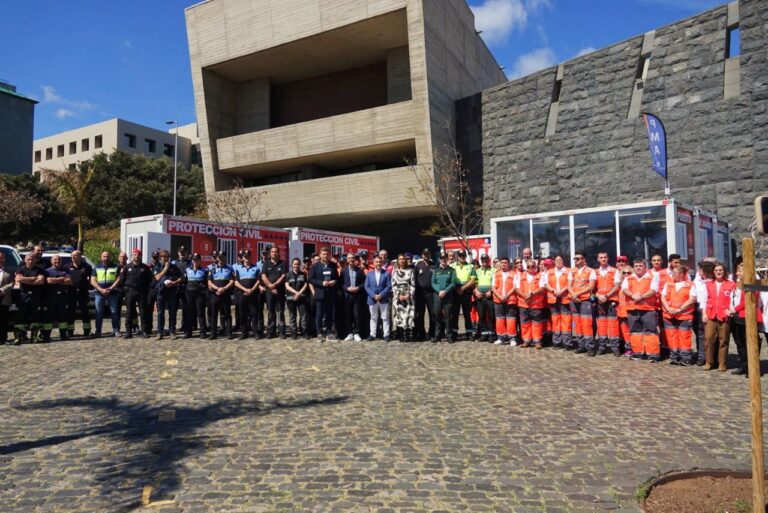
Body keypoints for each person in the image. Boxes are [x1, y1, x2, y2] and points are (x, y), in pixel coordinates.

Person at [622, 258, 661, 362]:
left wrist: (641, 297)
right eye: (636, 266)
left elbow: (653, 290)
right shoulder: (629, 278)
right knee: (635, 332)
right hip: (632, 308)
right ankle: (637, 353)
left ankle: (653, 354)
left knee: (651, 332)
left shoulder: (652, 277)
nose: (638, 268)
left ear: (645, 267)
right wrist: (632, 295)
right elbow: (624, 289)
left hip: (647, 309)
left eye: (640, 266)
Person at [703, 262, 736, 371]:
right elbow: (704, 299)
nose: (718, 272)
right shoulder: (708, 284)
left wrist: (730, 309)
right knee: (709, 339)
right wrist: (704, 313)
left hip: (724, 315)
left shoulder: (731, 284)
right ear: (713, 272)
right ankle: (709, 362)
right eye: (716, 270)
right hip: (710, 314)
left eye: (720, 270)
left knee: (724, 340)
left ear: (724, 272)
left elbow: (732, 299)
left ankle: (722, 363)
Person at [661, 266, 697, 365]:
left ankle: (685, 358)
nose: (672, 275)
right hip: (669, 315)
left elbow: (692, 299)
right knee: (671, 336)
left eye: (674, 273)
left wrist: (680, 309)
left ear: (681, 274)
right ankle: (674, 356)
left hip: (684, 315)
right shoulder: (668, 284)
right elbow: (663, 297)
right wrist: (668, 308)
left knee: (684, 337)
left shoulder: (690, 285)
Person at [308, 246, 339, 342]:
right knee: (319, 314)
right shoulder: (315, 266)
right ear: (320, 255)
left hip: (330, 293)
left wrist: (334, 281)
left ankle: (329, 333)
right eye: (323, 254)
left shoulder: (333, 265)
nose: (325, 256)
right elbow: (310, 279)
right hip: (320, 293)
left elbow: (337, 278)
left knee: (330, 314)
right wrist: (321, 283)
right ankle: (320, 333)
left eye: (327, 254)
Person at [120, 248, 153, 339]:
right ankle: (128, 332)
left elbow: (149, 280)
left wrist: (146, 290)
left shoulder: (145, 268)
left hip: (141, 292)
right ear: (132, 256)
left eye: (138, 254)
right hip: (130, 292)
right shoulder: (127, 267)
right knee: (129, 313)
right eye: (135, 254)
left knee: (143, 313)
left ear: (141, 256)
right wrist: (125, 289)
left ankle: (144, 331)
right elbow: (122, 279)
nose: (136, 256)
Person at [594, 252, 622, 356]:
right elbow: (592, 287)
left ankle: (614, 347)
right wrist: (598, 296)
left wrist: (606, 296)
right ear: (598, 259)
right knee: (601, 324)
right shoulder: (595, 272)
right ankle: (602, 346)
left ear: (608, 258)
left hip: (611, 300)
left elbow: (617, 286)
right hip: (600, 301)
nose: (603, 259)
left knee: (613, 324)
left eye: (605, 257)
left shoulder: (614, 271)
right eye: (601, 257)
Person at [13, 254, 45, 344]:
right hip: (23, 296)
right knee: (20, 317)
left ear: (35, 260)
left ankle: (34, 337)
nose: (30, 261)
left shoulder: (39, 269)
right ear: (25, 260)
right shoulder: (21, 269)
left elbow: (40, 281)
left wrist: (26, 280)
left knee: (35, 317)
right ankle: (18, 338)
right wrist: (33, 278)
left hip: (35, 296)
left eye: (32, 259)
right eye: (29, 259)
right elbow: (18, 279)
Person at [568, 252, 596, 354]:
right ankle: (581, 345)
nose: (575, 260)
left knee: (586, 324)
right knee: (578, 324)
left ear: (584, 260)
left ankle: (590, 347)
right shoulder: (572, 271)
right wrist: (573, 295)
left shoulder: (590, 271)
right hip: (574, 300)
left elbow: (591, 287)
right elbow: (569, 285)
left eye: (578, 259)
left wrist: (577, 294)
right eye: (574, 258)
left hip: (585, 300)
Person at [542, 255, 571, 350]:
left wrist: (561, 291)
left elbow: (569, 284)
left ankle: (566, 342)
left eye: (560, 259)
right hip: (553, 298)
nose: (558, 261)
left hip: (565, 298)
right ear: (554, 261)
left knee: (566, 321)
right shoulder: (549, 272)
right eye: (556, 260)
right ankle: (556, 342)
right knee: (555, 321)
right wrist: (554, 291)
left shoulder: (568, 271)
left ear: (563, 261)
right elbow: (546, 284)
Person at [515, 258, 546, 349]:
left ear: (536, 267)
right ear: (526, 267)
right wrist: (525, 296)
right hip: (523, 303)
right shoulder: (520, 276)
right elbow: (517, 288)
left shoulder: (540, 276)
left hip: (536, 304)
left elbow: (542, 288)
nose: (530, 268)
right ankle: (526, 341)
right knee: (525, 323)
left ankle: (537, 341)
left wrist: (532, 294)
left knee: (537, 323)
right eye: (528, 266)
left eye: (532, 266)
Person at [154, 250, 184, 340]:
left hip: (172, 292)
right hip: (161, 293)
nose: (164, 259)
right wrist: (165, 270)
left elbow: (181, 277)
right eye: (163, 257)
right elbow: (156, 278)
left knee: (172, 313)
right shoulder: (157, 266)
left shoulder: (174, 267)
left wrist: (174, 282)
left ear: (168, 258)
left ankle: (172, 332)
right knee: (160, 313)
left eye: (166, 257)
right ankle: (160, 332)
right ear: (160, 258)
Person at [91, 251, 122, 338]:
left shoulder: (116, 267)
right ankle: (98, 331)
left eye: (108, 256)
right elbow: (92, 281)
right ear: (101, 257)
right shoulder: (96, 267)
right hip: (99, 293)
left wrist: (111, 288)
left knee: (114, 311)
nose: (106, 258)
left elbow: (118, 279)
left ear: (110, 257)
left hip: (112, 293)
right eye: (104, 256)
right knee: (99, 313)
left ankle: (116, 330)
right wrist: (101, 290)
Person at [43, 254, 73, 342]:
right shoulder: (47, 271)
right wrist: (62, 279)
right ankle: (46, 336)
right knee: (49, 316)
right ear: (51, 261)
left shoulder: (65, 270)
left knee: (63, 316)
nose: (57, 261)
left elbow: (69, 281)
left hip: (62, 296)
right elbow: (49, 281)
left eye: (59, 260)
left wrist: (55, 280)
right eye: (55, 260)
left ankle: (63, 335)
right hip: (50, 296)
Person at [208, 251, 235, 340]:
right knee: (213, 315)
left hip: (225, 294)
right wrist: (217, 288)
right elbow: (209, 281)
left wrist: (224, 289)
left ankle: (229, 333)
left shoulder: (230, 268)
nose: (221, 259)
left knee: (227, 314)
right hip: (215, 294)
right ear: (217, 258)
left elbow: (232, 281)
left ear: (225, 257)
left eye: (223, 257)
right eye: (219, 257)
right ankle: (213, 334)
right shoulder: (212, 269)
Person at [234, 250, 261, 339]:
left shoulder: (256, 268)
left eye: (248, 256)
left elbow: (258, 281)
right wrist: (245, 289)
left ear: (250, 257)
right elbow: (236, 282)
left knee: (254, 314)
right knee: (242, 314)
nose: (247, 258)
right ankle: (244, 332)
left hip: (253, 294)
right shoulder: (238, 269)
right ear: (243, 258)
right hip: (242, 294)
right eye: (245, 257)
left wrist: (252, 290)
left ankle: (255, 332)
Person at [365, 255, 392, 342]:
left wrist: (381, 295)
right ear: (373, 263)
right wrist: (373, 295)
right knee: (373, 317)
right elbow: (366, 286)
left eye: (380, 262)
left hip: (383, 298)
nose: (378, 263)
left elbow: (389, 286)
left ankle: (386, 335)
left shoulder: (386, 273)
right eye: (376, 262)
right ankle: (372, 334)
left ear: (382, 262)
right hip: (372, 299)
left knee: (385, 317)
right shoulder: (369, 274)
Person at [262, 246, 288, 339]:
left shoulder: (283, 264)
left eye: (276, 252)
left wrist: (275, 284)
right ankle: (271, 331)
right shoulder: (266, 264)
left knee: (280, 311)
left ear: (278, 253)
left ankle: (281, 331)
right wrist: (270, 286)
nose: (274, 253)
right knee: (270, 311)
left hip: (280, 291)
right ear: (270, 253)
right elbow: (263, 276)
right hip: (269, 292)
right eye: (272, 252)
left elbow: (283, 275)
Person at [451, 250, 477, 340]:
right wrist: (457, 289)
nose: (462, 257)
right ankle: (454, 333)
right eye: (460, 255)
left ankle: (469, 333)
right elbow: (451, 279)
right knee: (455, 314)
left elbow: (473, 280)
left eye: (463, 255)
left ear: (466, 256)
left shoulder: (471, 266)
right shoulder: (452, 266)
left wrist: (462, 288)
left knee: (467, 314)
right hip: (455, 292)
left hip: (466, 293)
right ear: (457, 256)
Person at [431, 252, 457, 343]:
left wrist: (445, 291)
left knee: (447, 316)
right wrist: (439, 291)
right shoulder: (436, 271)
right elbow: (433, 283)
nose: (443, 260)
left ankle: (449, 335)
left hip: (448, 295)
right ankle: (437, 335)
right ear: (439, 260)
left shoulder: (452, 270)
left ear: (447, 259)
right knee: (437, 315)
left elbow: (453, 283)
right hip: (437, 295)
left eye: (445, 258)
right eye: (442, 258)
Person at [66, 250, 92, 338]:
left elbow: (91, 279)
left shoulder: (87, 267)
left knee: (85, 312)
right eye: (72, 255)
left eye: (75, 255)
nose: (73, 257)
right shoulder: (67, 267)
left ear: (80, 256)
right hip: (71, 293)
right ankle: (70, 331)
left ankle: (87, 330)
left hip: (83, 292)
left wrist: (87, 286)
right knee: (70, 312)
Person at [693, 260, 714, 366]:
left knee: (709, 335)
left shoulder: (712, 282)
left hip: (708, 309)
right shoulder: (698, 280)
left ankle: (711, 357)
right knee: (699, 334)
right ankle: (701, 356)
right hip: (697, 307)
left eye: (700, 269)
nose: (698, 271)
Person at [391, 253, 416, 342]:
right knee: (400, 316)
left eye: (403, 259)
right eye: (400, 259)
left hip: (408, 296)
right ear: (398, 261)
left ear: (405, 260)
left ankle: (408, 335)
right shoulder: (394, 272)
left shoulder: (410, 271)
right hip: (398, 297)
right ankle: (400, 335)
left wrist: (408, 294)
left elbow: (413, 285)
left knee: (408, 315)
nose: (401, 260)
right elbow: (393, 285)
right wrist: (398, 295)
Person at [341, 253, 366, 342]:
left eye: (352, 258)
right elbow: (341, 283)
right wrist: (347, 288)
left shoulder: (359, 270)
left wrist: (358, 288)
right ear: (347, 260)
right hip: (347, 296)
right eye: (349, 258)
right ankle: (349, 333)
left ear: (355, 259)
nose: (351, 259)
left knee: (357, 315)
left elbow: (364, 283)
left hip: (357, 295)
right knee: (348, 315)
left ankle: (356, 333)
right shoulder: (343, 271)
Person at [184, 253, 208, 339]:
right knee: (189, 313)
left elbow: (206, 283)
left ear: (200, 261)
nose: (195, 262)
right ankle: (188, 332)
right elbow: (185, 281)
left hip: (199, 295)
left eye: (196, 260)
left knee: (200, 313)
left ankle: (203, 332)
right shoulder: (187, 270)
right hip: (189, 294)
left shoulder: (204, 270)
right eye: (193, 260)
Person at [285, 257, 310, 339]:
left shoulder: (303, 274)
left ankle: (304, 332)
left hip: (301, 298)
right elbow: (287, 286)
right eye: (295, 264)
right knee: (292, 316)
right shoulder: (288, 274)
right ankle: (293, 333)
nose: (296, 265)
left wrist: (299, 293)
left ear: (300, 265)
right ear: (292, 265)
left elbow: (306, 285)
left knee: (303, 316)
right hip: (290, 298)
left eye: (298, 264)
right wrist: (296, 292)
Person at [414, 249, 435, 342]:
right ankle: (421, 334)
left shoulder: (434, 265)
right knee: (420, 314)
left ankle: (432, 333)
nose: (426, 256)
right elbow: (414, 279)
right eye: (424, 254)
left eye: (428, 254)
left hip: (431, 293)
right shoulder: (418, 266)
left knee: (432, 314)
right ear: (422, 255)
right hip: (420, 294)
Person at [474, 255, 495, 342]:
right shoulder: (477, 271)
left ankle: (491, 335)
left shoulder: (494, 270)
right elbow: (474, 283)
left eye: (486, 259)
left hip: (489, 296)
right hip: (480, 296)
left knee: (491, 316)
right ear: (481, 260)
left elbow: (495, 282)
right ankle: (484, 334)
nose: (484, 261)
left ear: (489, 260)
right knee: (481, 315)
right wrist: (476, 291)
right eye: (482, 259)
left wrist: (491, 291)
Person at [173, 246, 192, 334]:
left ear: (186, 253)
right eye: (180, 252)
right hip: (175, 287)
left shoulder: (191, 263)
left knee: (186, 308)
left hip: (186, 287)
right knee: (173, 308)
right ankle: (172, 327)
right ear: (178, 253)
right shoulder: (173, 262)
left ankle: (185, 326)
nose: (182, 254)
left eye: (183, 252)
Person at [0, 253, 13, 345]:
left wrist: (2, 290)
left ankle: (3, 338)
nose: (2, 260)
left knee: (3, 319)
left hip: (4, 297)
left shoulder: (9, 270)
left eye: (3, 258)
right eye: (0, 258)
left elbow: (13, 283)